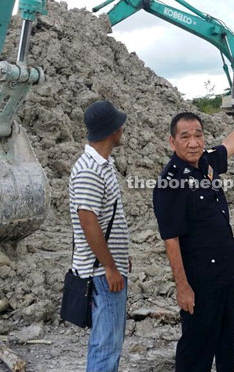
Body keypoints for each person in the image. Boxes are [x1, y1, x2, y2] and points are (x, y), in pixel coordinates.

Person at [152, 97, 234, 372]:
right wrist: (182, 287)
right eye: (185, 137)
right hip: (200, 281)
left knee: (227, 343)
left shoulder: (205, 162)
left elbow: (230, 146)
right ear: (172, 142)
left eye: (198, 135)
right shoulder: (170, 182)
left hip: (226, 273)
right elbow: (171, 239)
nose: (193, 142)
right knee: (197, 349)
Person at [69, 100, 131, 372]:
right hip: (100, 274)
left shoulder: (103, 165)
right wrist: (109, 266)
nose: (122, 128)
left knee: (110, 342)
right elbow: (88, 221)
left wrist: (118, 257)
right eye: (120, 124)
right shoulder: (89, 170)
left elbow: (106, 218)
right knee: (106, 345)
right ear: (112, 131)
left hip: (105, 269)